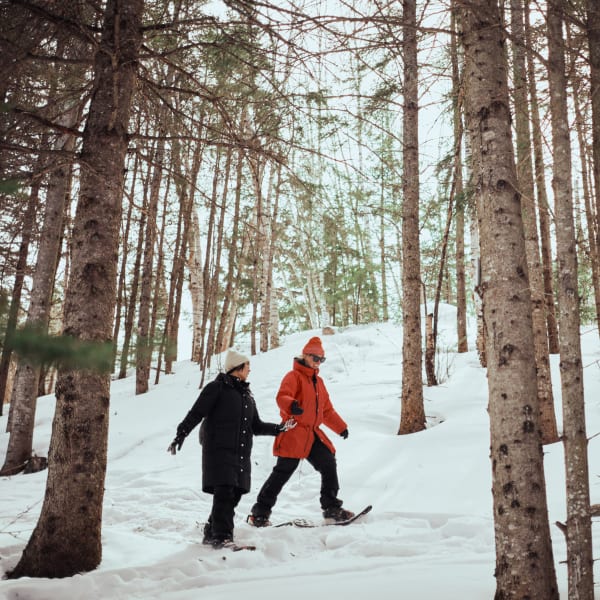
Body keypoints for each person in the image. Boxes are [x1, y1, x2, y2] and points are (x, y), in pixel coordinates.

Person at [167, 349, 295, 548]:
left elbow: (257, 426)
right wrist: (181, 433)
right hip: (219, 451)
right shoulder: (216, 388)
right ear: (238, 368)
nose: (250, 370)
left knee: (235, 493)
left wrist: (279, 429)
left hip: (240, 454)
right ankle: (222, 536)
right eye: (247, 366)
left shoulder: (247, 396)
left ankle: (212, 531)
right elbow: (197, 412)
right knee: (224, 492)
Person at [247, 336, 353, 526]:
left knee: (328, 463)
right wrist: (291, 405)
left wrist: (341, 427)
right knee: (282, 473)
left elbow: (326, 410)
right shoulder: (293, 376)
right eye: (315, 358)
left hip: (312, 434)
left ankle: (331, 509)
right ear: (305, 355)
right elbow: (282, 396)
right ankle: (259, 514)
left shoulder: (319, 382)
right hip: (294, 433)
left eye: (321, 359)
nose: (318, 362)